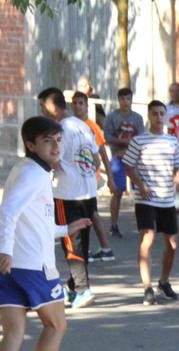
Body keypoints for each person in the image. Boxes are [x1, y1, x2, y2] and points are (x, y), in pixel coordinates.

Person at [0, 116, 92, 351]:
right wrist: (7, 248)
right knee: (56, 325)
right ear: (31, 144)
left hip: (6, 265)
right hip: (32, 266)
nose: (55, 146)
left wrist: (64, 229)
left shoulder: (26, 170)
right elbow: (7, 212)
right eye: (47, 141)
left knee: (14, 332)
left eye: (58, 140)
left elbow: (31, 218)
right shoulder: (34, 174)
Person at [39, 87, 101, 308]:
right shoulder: (83, 125)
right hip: (88, 191)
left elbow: (53, 159)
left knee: (70, 242)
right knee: (82, 241)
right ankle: (74, 287)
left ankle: (83, 289)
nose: (42, 112)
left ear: (50, 106)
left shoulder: (60, 130)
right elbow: (96, 160)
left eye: (42, 107)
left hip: (67, 194)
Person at [123, 99, 179, 306]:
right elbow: (128, 166)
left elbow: (178, 166)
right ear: (149, 116)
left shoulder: (172, 141)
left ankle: (164, 281)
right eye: (155, 114)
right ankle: (147, 287)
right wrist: (140, 184)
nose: (158, 117)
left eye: (161, 114)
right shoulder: (139, 141)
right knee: (147, 240)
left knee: (172, 244)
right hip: (146, 199)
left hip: (167, 199)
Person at [69, 92, 115, 261]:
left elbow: (101, 152)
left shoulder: (91, 126)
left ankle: (101, 248)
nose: (77, 106)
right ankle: (100, 248)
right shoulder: (70, 125)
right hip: (76, 179)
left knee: (89, 214)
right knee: (89, 214)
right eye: (74, 103)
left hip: (88, 178)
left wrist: (109, 177)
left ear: (87, 106)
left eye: (81, 103)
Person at [103, 87, 145, 239]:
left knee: (141, 190)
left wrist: (130, 146)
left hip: (135, 158)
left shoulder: (138, 118)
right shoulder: (112, 117)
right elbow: (107, 137)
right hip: (118, 157)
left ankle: (144, 225)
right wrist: (123, 142)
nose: (126, 102)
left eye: (128, 99)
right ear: (119, 100)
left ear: (131, 100)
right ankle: (114, 225)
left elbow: (141, 138)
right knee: (117, 191)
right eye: (123, 99)